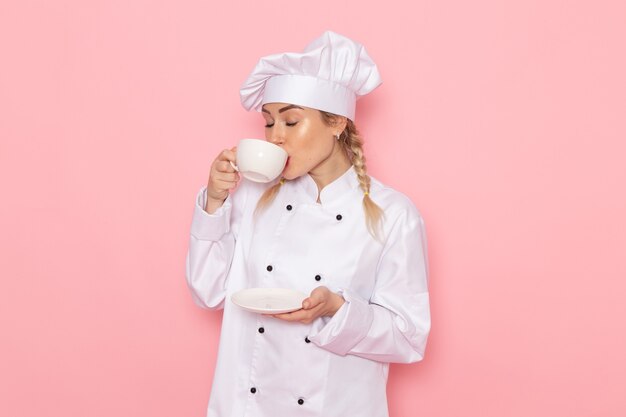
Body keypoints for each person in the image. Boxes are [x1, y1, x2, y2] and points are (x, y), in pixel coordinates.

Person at [186, 30, 431, 417]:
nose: (275, 138)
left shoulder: (394, 215)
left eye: (291, 122)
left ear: (336, 123)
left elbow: (408, 337)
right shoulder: (251, 195)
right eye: (268, 124)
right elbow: (208, 293)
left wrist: (337, 309)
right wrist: (214, 202)